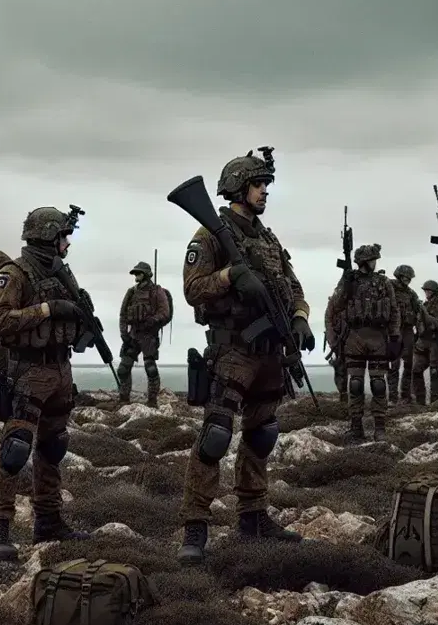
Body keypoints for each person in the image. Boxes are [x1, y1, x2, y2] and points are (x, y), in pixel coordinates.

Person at [176, 148, 310, 565]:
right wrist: (231, 275)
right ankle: (195, 529)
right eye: (258, 184)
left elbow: (294, 286)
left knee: (262, 434)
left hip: (269, 354)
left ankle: (252, 517)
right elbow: (193, 290)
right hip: (233, 350)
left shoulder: (267, 238)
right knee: (215, 437)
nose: (264, 191)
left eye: (266, 184)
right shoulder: (210, 236)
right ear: (238, 187)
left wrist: (301, 318)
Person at [0, 206, 95, 561]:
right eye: (64, 236)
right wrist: (47, 310)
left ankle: (48, 520)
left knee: (53, 447)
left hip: (61, 368)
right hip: (29, 371)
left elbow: (72, 315)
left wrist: (79, 324)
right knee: (16, 449)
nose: (67, 244)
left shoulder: (62, 272)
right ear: (49, 236)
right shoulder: (14, 273)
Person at [329, 244, 398, 440]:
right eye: (373, 260)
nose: (375, 263)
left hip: (378, 337)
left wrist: (394, 338)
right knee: (356, 384)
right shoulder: (349, 281)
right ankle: (356, 427)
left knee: (378, 384)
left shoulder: (384, 282)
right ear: (366, 261)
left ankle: (380, 428)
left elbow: (393, 312)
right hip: (355, 337)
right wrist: (346, 284)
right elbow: (336, 306)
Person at [116, 261, 173, 406]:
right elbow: (123, 314)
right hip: (133, 335)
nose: (136, 275)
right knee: (123, 368)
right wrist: (124, 333)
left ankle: (152, 401)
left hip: (149, 335)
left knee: (151, 368)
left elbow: (165, 313)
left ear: (146, 274)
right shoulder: (132, 292)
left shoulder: (157, 292)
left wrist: (153, 320)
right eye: (135, 273)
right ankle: (124, 400)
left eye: (139, 273)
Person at [389, 264, 422, 405]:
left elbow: (418, 311)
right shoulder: (389, 288)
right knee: (394, 365)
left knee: (408, 363)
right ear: (399, 275)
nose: (407, 279)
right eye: (405, 277)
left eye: (409, 278)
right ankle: (392, 397)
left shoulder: (411, 294)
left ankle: (405, 395)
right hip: (394, 331)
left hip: (408, 330)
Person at [323, 292, 348, 402]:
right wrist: (332, 340)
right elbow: (328, 322)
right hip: (338, 341)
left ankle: (352, 393)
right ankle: (343, 393)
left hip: (353, 340)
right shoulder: (333, 303)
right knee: (340, 368)